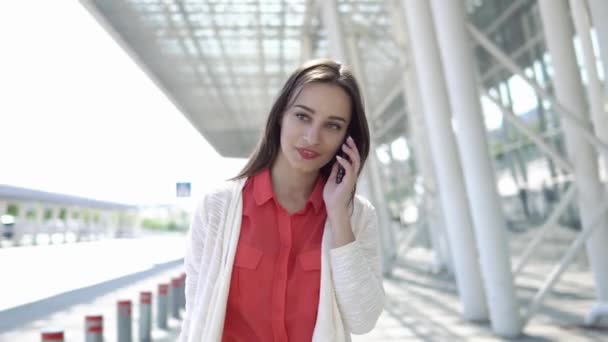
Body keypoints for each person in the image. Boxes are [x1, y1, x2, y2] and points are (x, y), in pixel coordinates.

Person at [178, 58, 385, 342]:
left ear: (347, 139)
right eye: (302, 116)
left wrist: (338, 215)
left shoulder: (356, 216)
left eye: (333, 126)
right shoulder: (218, 207)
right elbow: (197, 317)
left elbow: (363, 320)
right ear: (280, 116)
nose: (312, 137)